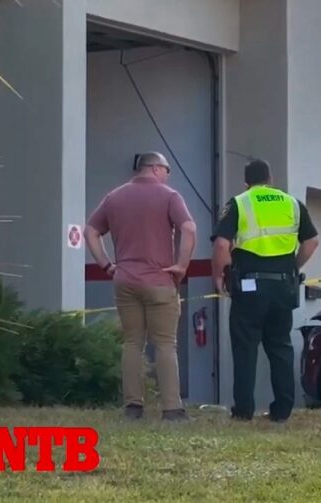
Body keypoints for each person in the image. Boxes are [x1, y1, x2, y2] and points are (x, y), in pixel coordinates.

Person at [84, 151, 197, 421]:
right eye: (167, 170)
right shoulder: (169, 196)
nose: (168, 175)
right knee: (166, 344)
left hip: (124, 280)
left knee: (132, 342)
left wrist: (106, 265)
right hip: (159, 280)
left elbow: (90, 231)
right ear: (157, 168)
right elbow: (189, 229)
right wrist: (181, 265)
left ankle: (133, 407)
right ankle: (172, 409)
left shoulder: (114, 197)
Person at [211, 159, 319, 423]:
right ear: (271, 179)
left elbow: (222, 245)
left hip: (249, 287)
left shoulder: (240, 202)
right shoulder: (292, 203)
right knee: (280, 346)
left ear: (246, 182)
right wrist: (292, 268)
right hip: (283, 287)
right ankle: (282, 410)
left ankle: (244, 410)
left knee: (245, 348)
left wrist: (219, 275)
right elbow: (312, 241)